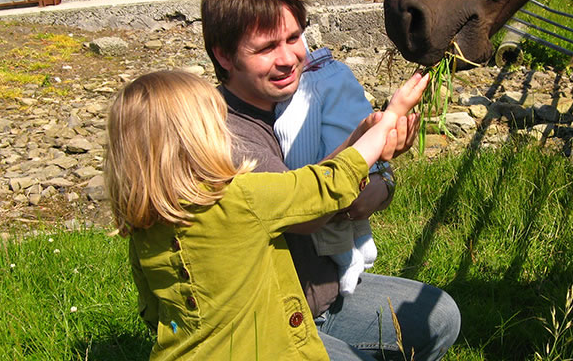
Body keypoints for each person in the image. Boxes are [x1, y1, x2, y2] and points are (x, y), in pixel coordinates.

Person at [201, 0, 461, 361]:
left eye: (293, 38)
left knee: (439, 316)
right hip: (263, 324)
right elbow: (301, 213)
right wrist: (368, 144)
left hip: (318, 297)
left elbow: (356, 192)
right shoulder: (222, 134)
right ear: (224, 55)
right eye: (267, 47)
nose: (289, 58)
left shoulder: (299, 101)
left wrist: (383, 170)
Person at [104, 68, 428, 360]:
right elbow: (329, 184)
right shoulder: (241, 198)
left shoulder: (144, 228)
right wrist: (391, 115)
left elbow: (154, 313)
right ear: (199, 140)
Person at [274, 37, 384, 295]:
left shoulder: (303, 88)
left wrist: (298, 172)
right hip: (364, 161)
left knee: (330, 222)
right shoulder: (337, 69)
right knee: (356, 203)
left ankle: (348, 261)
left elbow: (296, 139)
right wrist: (379, 166)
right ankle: (364, 242)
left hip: (334, 173)